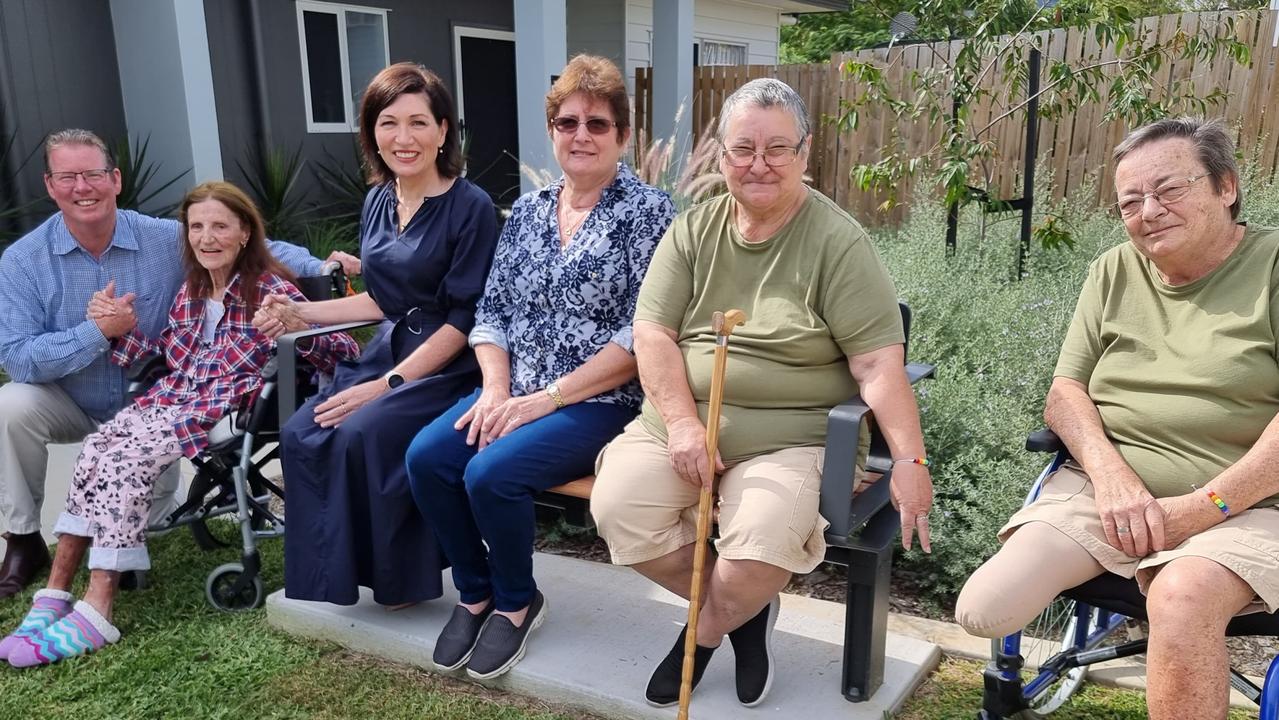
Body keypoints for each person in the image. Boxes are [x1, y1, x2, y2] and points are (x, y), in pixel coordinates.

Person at [589, 78, 934, 708]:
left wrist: (909, 460)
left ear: (805, 154)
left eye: (778, 149)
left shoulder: (837, 242)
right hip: (680, 425)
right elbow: (653, 332)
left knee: (758, 552)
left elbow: (881, 363)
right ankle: (745, 616)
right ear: (721, 155)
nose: (759, 164)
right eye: (743, 148)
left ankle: (700, 637)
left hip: (792, 438)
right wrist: (685, 425)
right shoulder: (694, 230)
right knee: (619, 508)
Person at [954, 118, 1279, 720]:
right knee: (985, 607)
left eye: (1169, 191)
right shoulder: (1113, 269)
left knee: (1182, 601)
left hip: (1252, 503)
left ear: (1226, 186)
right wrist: (1112, 478)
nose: (1149, 211)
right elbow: (1065, 390)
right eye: (1131, 201)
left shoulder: (1273, 267)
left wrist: (1203, 507)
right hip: (1112, 494)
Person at [0, 181, 358, 667]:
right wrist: (118, 333)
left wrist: (298, 327)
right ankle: (55, 594)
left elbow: (345, 351)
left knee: (125, 460)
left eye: (219, 227)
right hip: (173, 400)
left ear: (245, 234)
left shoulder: (269, 290)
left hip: (226, 410)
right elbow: (169, 364)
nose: (206, 237)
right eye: (196, 227)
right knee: (97, 448)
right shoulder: (191, 293)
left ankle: (98, 607)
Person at [403, 55, 675, 680]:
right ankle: (476, 593)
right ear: (552, 130)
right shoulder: (526, 212)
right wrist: (496, 388)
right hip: (515, 391)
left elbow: (640, 334)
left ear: (623, 136)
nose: (581, 135)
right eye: (568, 122)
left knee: (492, 473)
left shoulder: (650, 215)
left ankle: (519, 602)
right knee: (428, 457)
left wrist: (544, 400)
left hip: (598, 405)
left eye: (598, 124)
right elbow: (492, 310)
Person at [256, 63, 498, 607]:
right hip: (390, 346)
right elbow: (386, 298)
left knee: (363, 431)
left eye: (418, 123)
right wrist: (300, 314)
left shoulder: (470, 207)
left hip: (447, 364)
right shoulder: (378, 200)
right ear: (372, 133)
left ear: (442, 131)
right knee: (301, 432)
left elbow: (464, 320)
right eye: (389, 123)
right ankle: (338, 577)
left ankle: (401, 582)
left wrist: (386, 384)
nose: (403, 138)